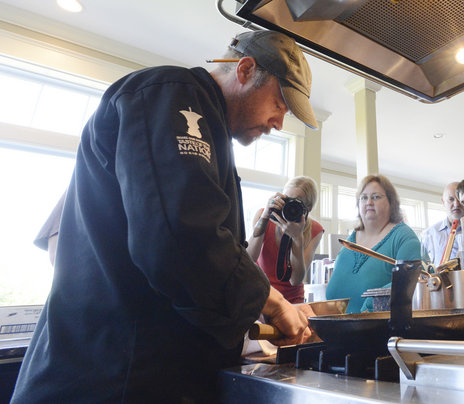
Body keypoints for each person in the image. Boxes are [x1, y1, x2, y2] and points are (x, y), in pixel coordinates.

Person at [12, 30, 317, 403]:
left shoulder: (209, 130)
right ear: (245, 70)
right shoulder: (174, 95)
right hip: (107, 379)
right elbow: (183, 240)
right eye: (280, 103)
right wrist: (273, 303)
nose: (279, 123)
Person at [326, 174, 422, 313]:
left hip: (379, 331)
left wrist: (373, 301)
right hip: (335, 329)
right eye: (364, 197)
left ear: (391, 202)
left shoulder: (404, 237)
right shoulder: (350, 241)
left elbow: (411, 281)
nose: (369, 202)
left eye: (376, 197)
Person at [247, 176, 324, 304]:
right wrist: (265, 216)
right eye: (286, 199)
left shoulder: (315, 230)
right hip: (260, 296)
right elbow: (250, 258)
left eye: (296, 201)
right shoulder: (263, 215)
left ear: (308, 208)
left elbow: (296, 279)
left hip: (292, 301)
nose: (289, 205)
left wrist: (297, 238)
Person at [419, 181, 464, 266]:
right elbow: (422, 265)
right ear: (443, 202)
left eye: (460, 199)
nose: (456, 204)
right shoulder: (429, 233)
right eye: (451, 199)